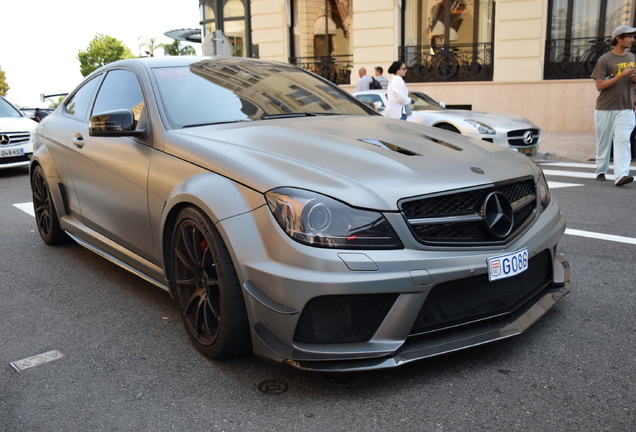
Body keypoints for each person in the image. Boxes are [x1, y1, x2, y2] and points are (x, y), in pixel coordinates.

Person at [591, 25, 636, 187]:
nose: (632, 40)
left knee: (623, 140)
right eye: (629, 37)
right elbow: (600, 85)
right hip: (605, 108)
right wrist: (621, 76)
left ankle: (622, 175)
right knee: (604, 141)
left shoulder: (632, 58)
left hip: (626, 108)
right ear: (619, 38)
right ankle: (601, 170)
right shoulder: (605, 60)